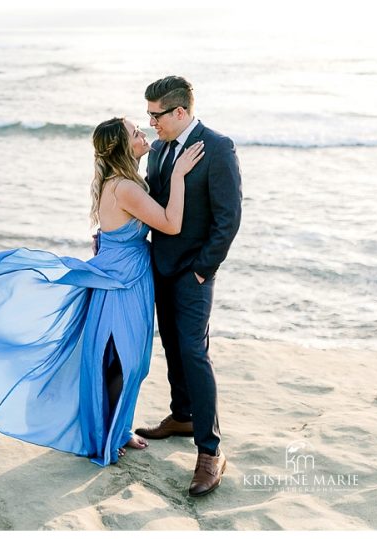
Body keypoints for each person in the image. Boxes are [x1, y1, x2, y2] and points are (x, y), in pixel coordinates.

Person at [0, 117, 204, 466]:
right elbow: (170, 223)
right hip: (121, 284)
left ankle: (115, 431)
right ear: (124, 146)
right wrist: (180, 175)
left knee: (121, 363)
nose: (143, 133)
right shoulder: (124, 187)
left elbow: (113, 231)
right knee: (126, 362)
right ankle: (106, 438)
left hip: (124, 278)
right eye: (135, 132)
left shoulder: (120, 182)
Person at [134, 76, 242, 497]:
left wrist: (203, 269)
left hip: (194, 273)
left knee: (194, 352)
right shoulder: (159, 149)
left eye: (155, 114)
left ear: (180, 112)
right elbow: (156, 205)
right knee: (173, 347)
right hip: (160, 266)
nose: (151, 122)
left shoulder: (218, 147)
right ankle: (182, 415)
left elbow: (228, 218)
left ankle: (210, 450)